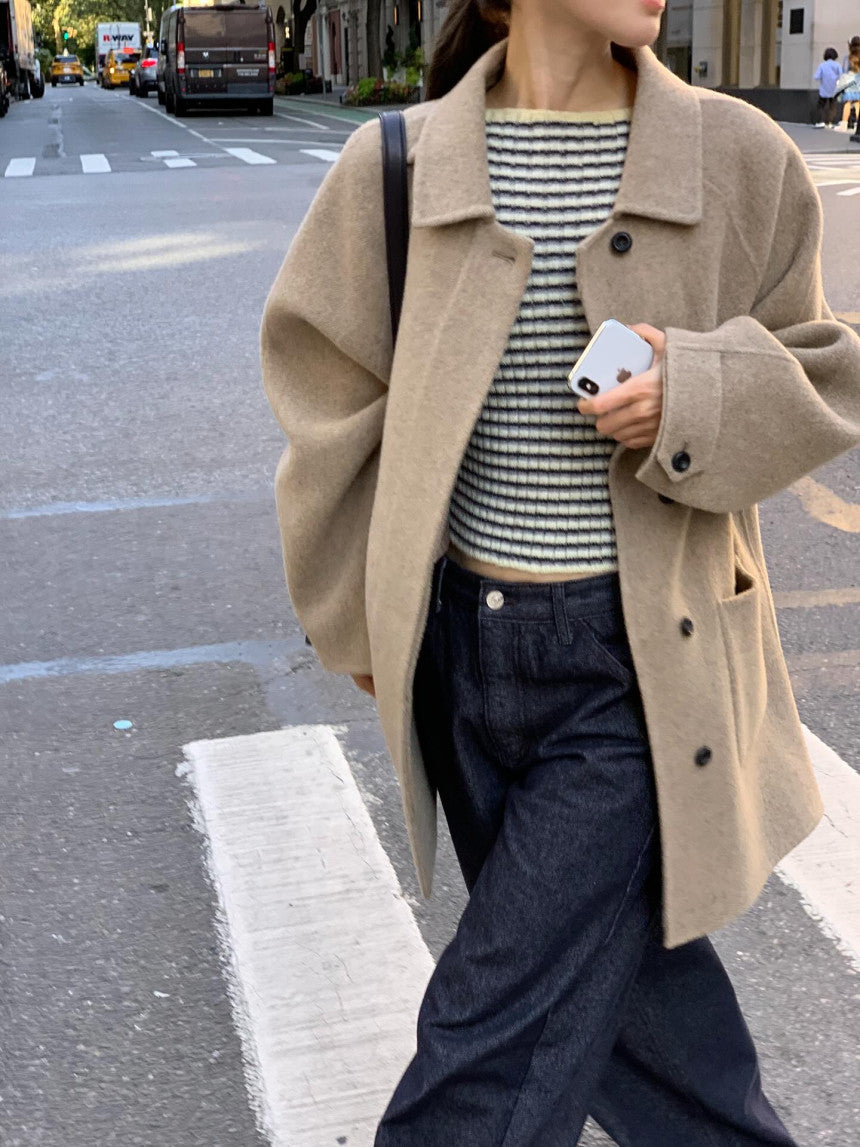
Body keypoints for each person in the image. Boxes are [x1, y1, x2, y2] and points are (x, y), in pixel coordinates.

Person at [260, 0, 860, 1141]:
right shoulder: (396, 165)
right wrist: (359, 622)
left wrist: (692, 390)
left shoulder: (735, 153)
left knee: (487, 1049)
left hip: (637, 670)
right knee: (646, 1035)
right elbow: (330, 402)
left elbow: (825, 369)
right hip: (464, 663)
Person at [813, 46, 842, 127]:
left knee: (821, 106)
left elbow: (816, 76)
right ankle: (829, 122)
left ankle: (821, 121)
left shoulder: (822, 65)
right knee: (832, 106)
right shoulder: (837, 65)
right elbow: (841, 76)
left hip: (824, 89)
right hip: (834, 89)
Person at [838, 35, 860, 131]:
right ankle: (857, 125)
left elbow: (844, 71)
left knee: (847, 103)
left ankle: (844, 124)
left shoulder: (847, 58)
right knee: (858, 103)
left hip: (849, 82)